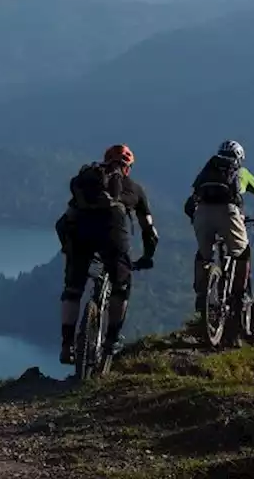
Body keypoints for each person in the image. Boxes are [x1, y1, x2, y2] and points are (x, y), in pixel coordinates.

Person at [56, 144, 158, 365]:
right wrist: (147, 256)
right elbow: (149, 231)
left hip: (79, 233)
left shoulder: (87, 186)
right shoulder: (135, 189)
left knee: (73, 289)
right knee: (121, 285)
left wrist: (68, 248)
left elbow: (63, 222)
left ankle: (67, 345)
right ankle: (112, 339)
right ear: (128, 168)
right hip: (113, 232)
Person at [184, 140, 254, 323]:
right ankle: (239, 295)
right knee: (243, 253)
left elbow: (191, 202)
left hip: (202, 213)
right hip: (228, 213)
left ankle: (201, 293)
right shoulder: (242, 173)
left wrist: (195, 219)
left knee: (203, 255)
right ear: (240, 158)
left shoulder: (207, 171)